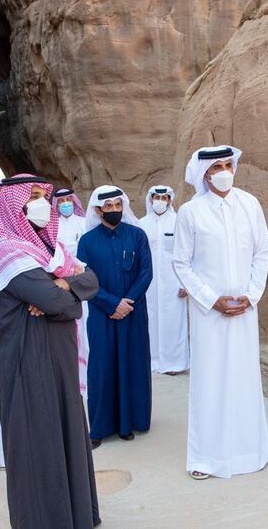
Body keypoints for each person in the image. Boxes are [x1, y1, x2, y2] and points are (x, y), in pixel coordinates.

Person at [0, 174, 100, 528]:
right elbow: (61, 303)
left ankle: (76, 515)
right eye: (31, 196)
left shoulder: (48, 250)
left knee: (66, 429)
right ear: (12, 204)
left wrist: (65, 285)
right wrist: (67, 292)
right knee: (39, 437)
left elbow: (92, 280)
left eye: (42, 196)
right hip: (27, 359)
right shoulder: (8, 251)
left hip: (57, 354)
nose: (40, 203)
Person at [172, 145, 268, 480]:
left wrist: (251, 296)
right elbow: (181, 263)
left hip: (244, 309)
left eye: (228, 164)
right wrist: (210, 299)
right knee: (210, 381)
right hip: (208, 312)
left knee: (244, 378)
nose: (224, 171)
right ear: (204, 173)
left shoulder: (250, 204)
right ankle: (206, 459)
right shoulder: (191, 212)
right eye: (216, 167)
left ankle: (251, 453)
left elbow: (261, 253)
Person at [77, 186, 153, 448]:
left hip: (133, 312)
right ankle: (100, 427)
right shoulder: (86, 242)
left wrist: (127, 302)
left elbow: (146, 273)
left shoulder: (137, 236)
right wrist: (112, 303)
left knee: (132, 363)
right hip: (101, 315)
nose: (113, 211)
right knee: (101, 366)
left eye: (117, 206)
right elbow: (85, 280)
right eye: (107, 207)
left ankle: (129, 423)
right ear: (98, 210)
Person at [138, 185, 189, 375]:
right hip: (148, 283)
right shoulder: (142, 224)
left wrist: (186, 283)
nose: (160, 201)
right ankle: (151, 361)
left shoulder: (178, 222)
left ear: (169, 200)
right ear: (151, 200)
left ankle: (174, 363)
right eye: (156, 197)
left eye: (164, 197)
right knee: (149, 320)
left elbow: (187, 254)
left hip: (174, 282)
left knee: (174, 322)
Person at [53, 186, 90, 396]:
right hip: (60, 284)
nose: (65, 203)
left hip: (82, 282)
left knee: (86, 328)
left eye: (69, 199)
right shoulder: (52, 225)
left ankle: (88, 377)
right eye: (61, 200)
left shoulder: (82, 222)